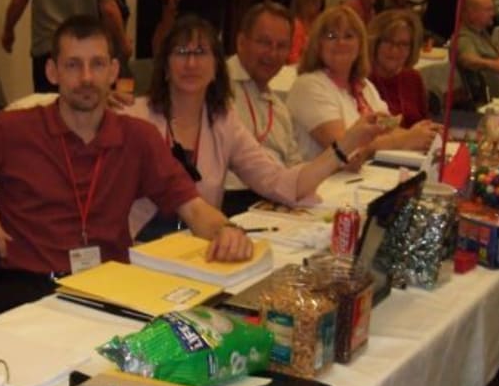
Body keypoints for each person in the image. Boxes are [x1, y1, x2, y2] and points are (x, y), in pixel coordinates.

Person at [0, 15, 251, 320]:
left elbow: (193, 207)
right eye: (73, 65)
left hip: (110, 287)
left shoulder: (138, 138)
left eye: (97, 64)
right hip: (29, 292)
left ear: (113, 72)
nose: (86, 78)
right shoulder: (13, 130)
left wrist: (226, 231)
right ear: (52, 72)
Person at [123, 15, 382, 238]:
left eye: (201, 52)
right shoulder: (133, 116)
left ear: (216, 67)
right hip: (137, 246)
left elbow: (280, 183)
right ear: (165, 66)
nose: (191, 63)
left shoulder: (223, 122)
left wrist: (346, 143)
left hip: (198, 246)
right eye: (181, 52)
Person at [287, 6, 438, 161]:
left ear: (360, 45)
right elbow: (345, 148)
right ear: (317, 45)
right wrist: (405, 139)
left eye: (349, 36)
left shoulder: (364, 86)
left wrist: (426, 134)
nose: (341, 42)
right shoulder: (308, 86)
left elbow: (389, 129)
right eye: (331, 36)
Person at [1, 0, 132, 92]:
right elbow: (109, 9)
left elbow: (18, 1)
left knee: (48, 108)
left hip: (47, 48)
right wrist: (123, 43)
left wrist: (8, 31)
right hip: (85, 50)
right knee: (87, 107)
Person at [228, 3, 305, 167]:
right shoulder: (215, 87)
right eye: (264, 43)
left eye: (281, 46)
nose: (272, 54)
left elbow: (295, 167)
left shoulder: (279, 110)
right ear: (241, 42)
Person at [367, 9, 434, 128]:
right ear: (375, 43)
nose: (394, 50)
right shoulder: (363, 79)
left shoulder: (413, 78)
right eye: (388, 41)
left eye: (403, 44)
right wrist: (411, 135)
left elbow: (425, 122)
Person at [288, 0, 327, 64]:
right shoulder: (296, 25)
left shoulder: (318, 22)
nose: (318, 4)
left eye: (319, 0)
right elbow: (293, 58)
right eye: (314, 0)